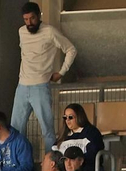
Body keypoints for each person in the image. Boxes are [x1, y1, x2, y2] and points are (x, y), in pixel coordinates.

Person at [11, 2, 76, 151]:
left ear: (39, 16)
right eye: (26, 19)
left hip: (40, 86)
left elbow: (71, 49)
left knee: (47, 129)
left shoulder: (49, 32)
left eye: (32, 18)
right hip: (21, 85)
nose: (29, 23)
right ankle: (18, 164)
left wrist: (61, 72)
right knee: (15, 130)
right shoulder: (21, 31)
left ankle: (52, 166)